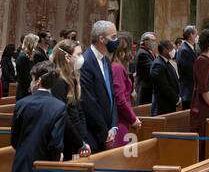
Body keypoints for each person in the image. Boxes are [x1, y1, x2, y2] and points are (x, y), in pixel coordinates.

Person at [11, 63, 73, 172]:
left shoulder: (21, 104)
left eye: (32, 79)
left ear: (38, 81)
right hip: (45, 169)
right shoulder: (59, 106)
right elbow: (55, 143)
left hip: (21, 168)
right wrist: (56, 158)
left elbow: (14, 140)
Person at [80, 20, 119, 152]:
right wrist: (105, 133)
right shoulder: (86, 61)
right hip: (93, 133)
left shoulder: (106, 60)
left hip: (107, 131)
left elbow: (111, 96)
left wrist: (113, 127)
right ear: (102, 39)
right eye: (113, 37)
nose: (116, 40)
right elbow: (89, 102)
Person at [48, 41, 91, 155]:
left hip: (76, 137)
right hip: (66, 138)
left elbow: (78, 109)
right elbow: (63, 115)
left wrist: (83, 136)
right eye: (78, 54)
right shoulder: (59, 81)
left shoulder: (73, 77)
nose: (81, 58)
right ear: (67, 57)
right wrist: (79, 142)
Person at [111, 32, 142, 146]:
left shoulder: (115, 65)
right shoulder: (117, 68)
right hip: (120, 121)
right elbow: (120, 99)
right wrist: (133, 119)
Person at [189, 29, 209, 136]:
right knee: (203, 136)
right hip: (202, 106)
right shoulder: (202, 60)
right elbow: (203, 88)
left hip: (207, 104)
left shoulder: (208, 59)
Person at [150, 39, 181, 115]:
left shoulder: (166, 62)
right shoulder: (158, 64)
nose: (173, 51)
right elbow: (164, 86)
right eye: (171, 48)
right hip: (162, 107)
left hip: (169, 105)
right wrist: (177, 99)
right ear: (164, 50)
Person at [175, 25, 198, 109]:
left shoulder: (190, 48)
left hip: (191, 90)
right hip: (188, 91)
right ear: (191, 35)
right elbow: (190, 71)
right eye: (196, 34)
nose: (197, 36)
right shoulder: (184, 50)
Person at [134, 32, 156, 106]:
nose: (154, 43)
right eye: (152, 40)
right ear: (145, 41)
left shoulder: (149, 52)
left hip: (148, 87)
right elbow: (153, 67)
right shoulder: (142, 53)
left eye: (154, 40)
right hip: (144, 88)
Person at [16, 33, 39, 101]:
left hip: (29, 90)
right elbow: (24, 77)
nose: (37, 45)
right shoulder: (23, 57)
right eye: (36, 43)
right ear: (31, 44)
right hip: (24, 92)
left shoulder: (29, 57)